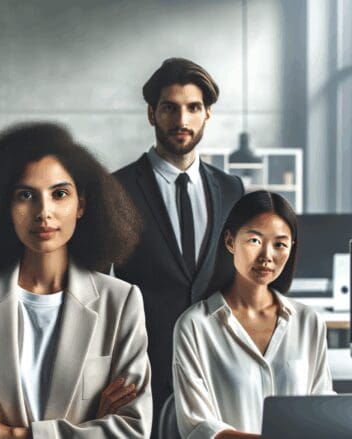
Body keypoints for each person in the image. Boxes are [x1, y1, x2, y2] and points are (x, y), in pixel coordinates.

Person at [0, 122, 153, 438]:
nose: (43, 212)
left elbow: (131, 430)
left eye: (59, 194)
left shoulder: (121, 301)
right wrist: (87, 429)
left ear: (82, 204)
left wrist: (12, 435)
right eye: (25, 195)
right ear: (5, 206)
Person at [113, 57, 245, 424]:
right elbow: (94, 289)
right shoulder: (116, 190)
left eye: (193, 108)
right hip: (143, 376)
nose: (182, 120)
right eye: (170, 108)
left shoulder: (233, 190)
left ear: (208, 114)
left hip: (218, 371)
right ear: (151, 113)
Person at [172, 191, 333, 438]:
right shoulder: (195, 326)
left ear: (291, 249)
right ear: (230, 241)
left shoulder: (308, 322)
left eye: (279, 244)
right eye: (255, 240)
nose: (266, 256)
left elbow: (322, 411)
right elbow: (199, 428)